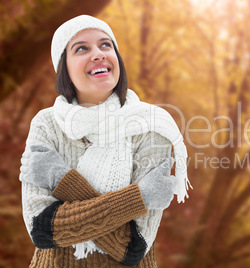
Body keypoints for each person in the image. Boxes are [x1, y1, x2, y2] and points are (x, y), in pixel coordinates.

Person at [19, 15, 191, 267]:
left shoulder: (151, 126)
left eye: (105, 45)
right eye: (81, 48)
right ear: (63, 67)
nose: (98, 53)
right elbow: (41, 230)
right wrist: (139, 198)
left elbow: (133, 246)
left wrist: (59, 179)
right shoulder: (46, 124)